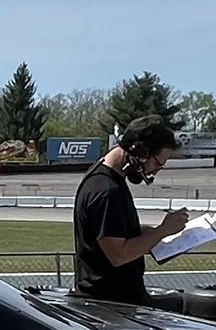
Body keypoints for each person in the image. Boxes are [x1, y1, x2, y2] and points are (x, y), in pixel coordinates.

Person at [72, 115, 190, 305]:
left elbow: (115, 232)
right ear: (140, 152)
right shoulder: (107, 191)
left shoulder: (105, 177)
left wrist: (156, 233)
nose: (155, 172)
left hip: (112, 302)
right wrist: (162, 231)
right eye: (157, 164)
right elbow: (119, 255)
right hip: (111, 305)